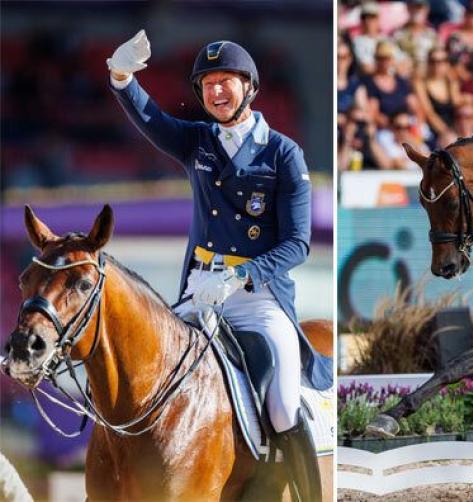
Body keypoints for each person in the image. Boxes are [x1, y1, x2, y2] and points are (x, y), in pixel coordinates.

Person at [106, 31, 328, 498]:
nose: (216, 91)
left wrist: (242, 275)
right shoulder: (198, 142)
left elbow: (297, 245)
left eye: (225, 81)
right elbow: (151, 119)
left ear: (250, 87)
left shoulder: (283, 153)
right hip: (198, 293)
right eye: (208, 84)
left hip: (258, 299)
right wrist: (122, 77)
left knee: (283, 407)